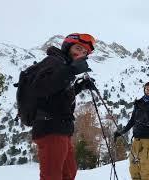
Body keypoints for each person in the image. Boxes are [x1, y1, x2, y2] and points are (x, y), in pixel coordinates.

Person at [31, 33, 96, 180]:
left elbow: (59, 95)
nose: (81, 54)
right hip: (50, 127)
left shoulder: (65, 66)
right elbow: (41, 88)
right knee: (52, 176)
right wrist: (71, 70)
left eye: (85, 52)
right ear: (67, 46)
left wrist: (80, 86)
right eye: (78, 48)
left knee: (69, 172)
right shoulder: (53, 61)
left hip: (62, 129)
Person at [114, 82, 149, 180]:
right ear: (144, 89)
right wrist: (121, 132)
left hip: (148, 142)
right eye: (147, 88)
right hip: (136, 141)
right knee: (134, 170)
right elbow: (132, 121)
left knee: (146, 171)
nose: (148, 90)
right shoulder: (138, 103)